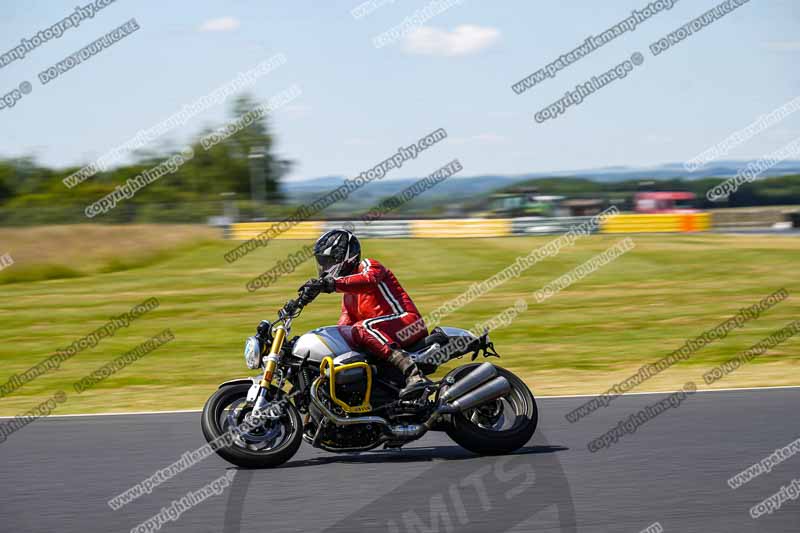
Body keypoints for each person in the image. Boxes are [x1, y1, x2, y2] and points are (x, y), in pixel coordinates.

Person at [300, 228, 431, 397]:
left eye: (329, 262)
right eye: (322, 262)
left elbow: (368, 281)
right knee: (344, 338)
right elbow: (343, 329)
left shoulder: (369, 266)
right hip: (382, 333)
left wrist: (330, 284)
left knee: (361, 328)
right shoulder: (348, 296)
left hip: (408, 323)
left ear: (345, 257)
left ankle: (414, 374)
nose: (325, 268)